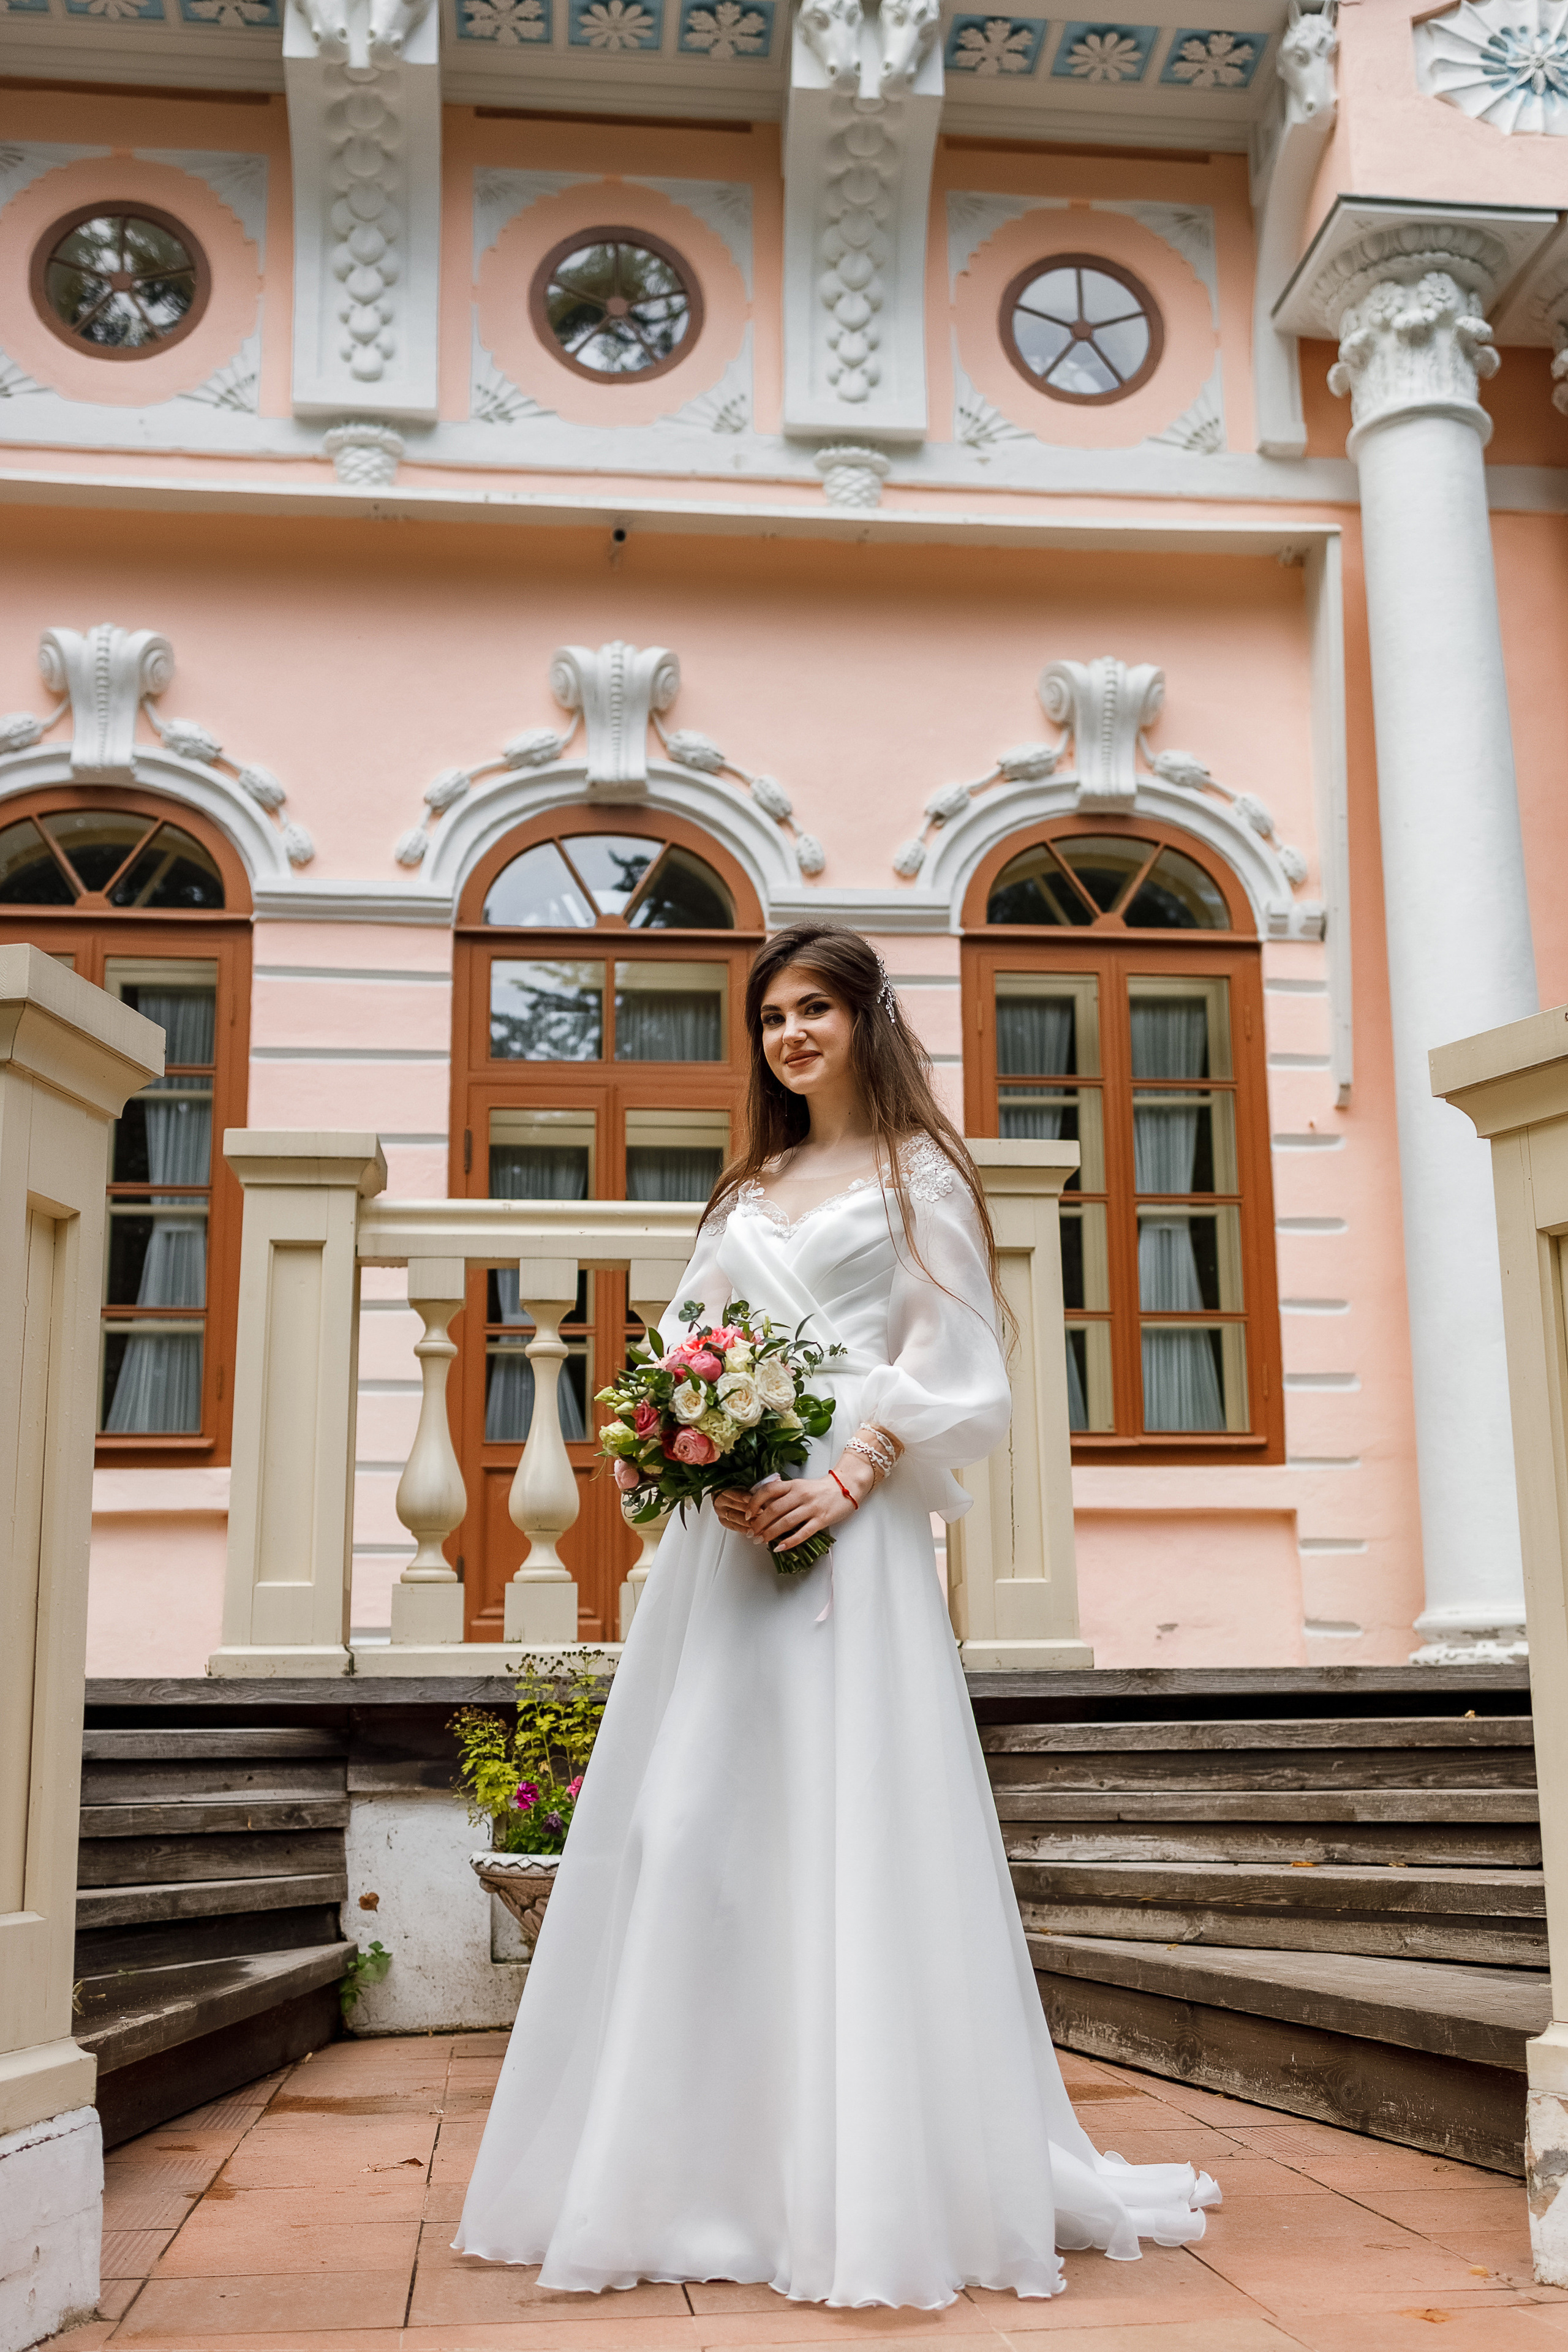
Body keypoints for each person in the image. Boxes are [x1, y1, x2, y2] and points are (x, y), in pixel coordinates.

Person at [453, 921, 1218, 2309]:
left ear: (867, 1020)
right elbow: (685, 1351)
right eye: (770, 1017)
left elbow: (961, 1368)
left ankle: (855, 2184)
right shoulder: (745, 1186)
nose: (790, 1034)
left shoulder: (923, 1174)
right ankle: (689, 2175)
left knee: (846, 1838)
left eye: (814, 1008)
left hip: (849, 1545)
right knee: (691, 1832)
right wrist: (693, 1451)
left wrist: (851, 1475)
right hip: (731, 1553)